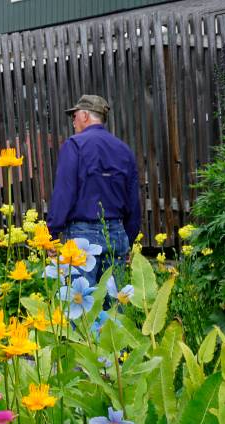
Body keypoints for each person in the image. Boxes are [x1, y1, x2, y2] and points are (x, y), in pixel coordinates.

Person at [46, 94, 140, 284]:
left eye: (74, 116)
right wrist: (127, 240)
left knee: (81, 305)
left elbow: (64, 193)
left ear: (85, 116)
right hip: (116, 234)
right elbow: (133, 201)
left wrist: (52, 234)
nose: (73, 122)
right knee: (115, 309)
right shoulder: (124, 150)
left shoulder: (75, 145)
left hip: (82, 237)